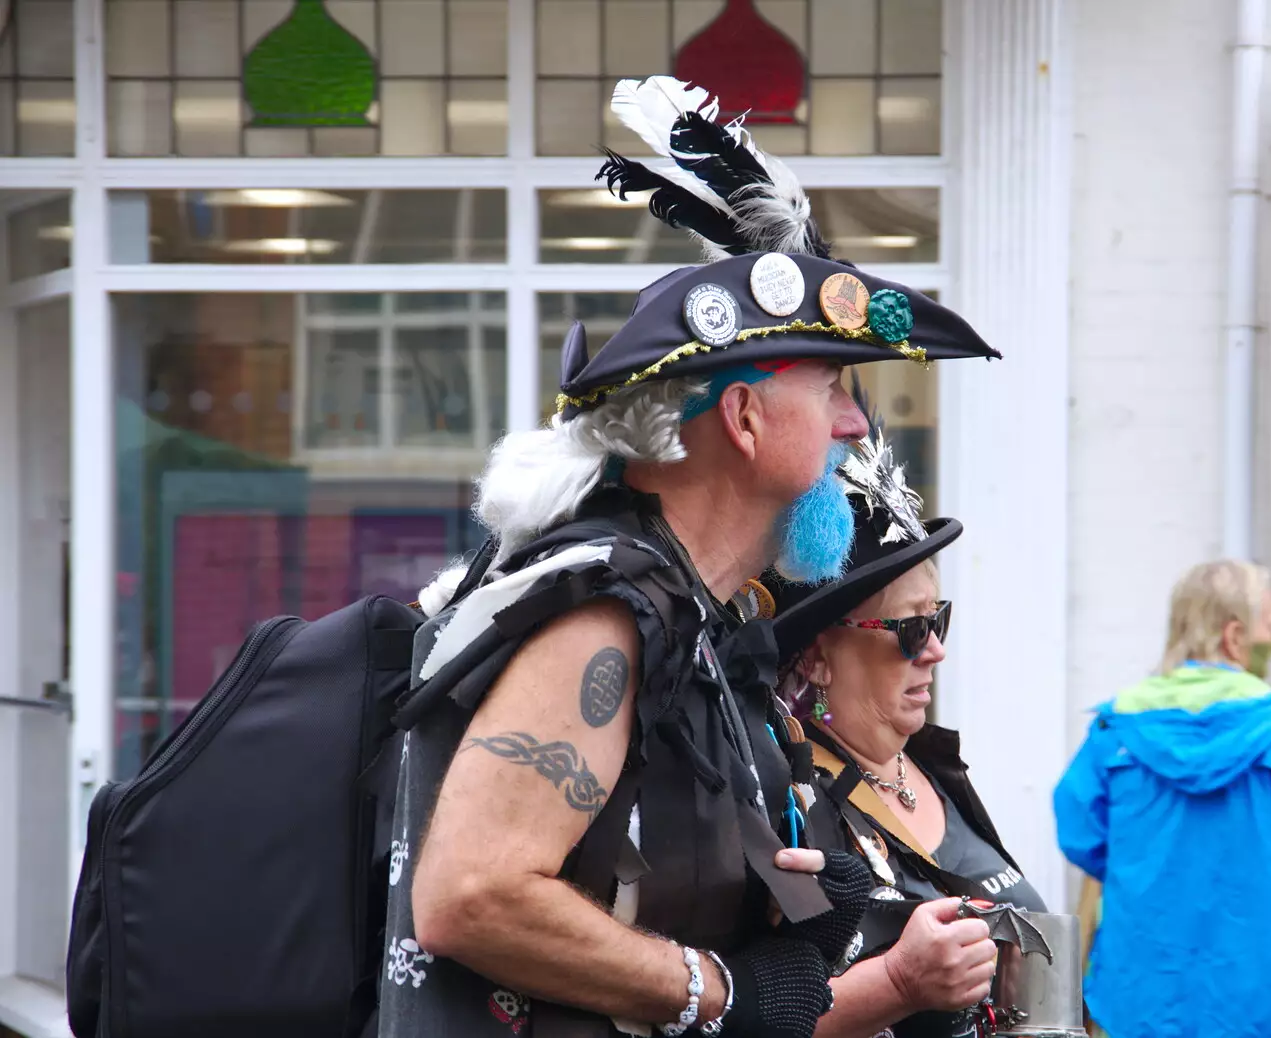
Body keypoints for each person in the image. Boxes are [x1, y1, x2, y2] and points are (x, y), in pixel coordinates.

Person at [377, 76, 1001, 1038]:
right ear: (745, 418)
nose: (853, 423)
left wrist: (797, 893)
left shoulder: (704, 624)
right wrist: (718, 993)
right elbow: (471, 894)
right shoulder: (603, 613)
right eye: (832, 385)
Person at [741, 419, 1045, 1038]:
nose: (934, 650)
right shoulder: (787, 799)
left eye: (939, 622)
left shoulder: (935, 767)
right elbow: (749, 1020)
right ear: (820, 657)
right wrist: (900, 984)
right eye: (909, 629)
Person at [1053, 559, 1271, 1038]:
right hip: (1264, 996)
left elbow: (1081, 836)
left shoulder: (1113, 731)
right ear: (1235, 636)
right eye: (1270, 628)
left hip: (1138, 993)